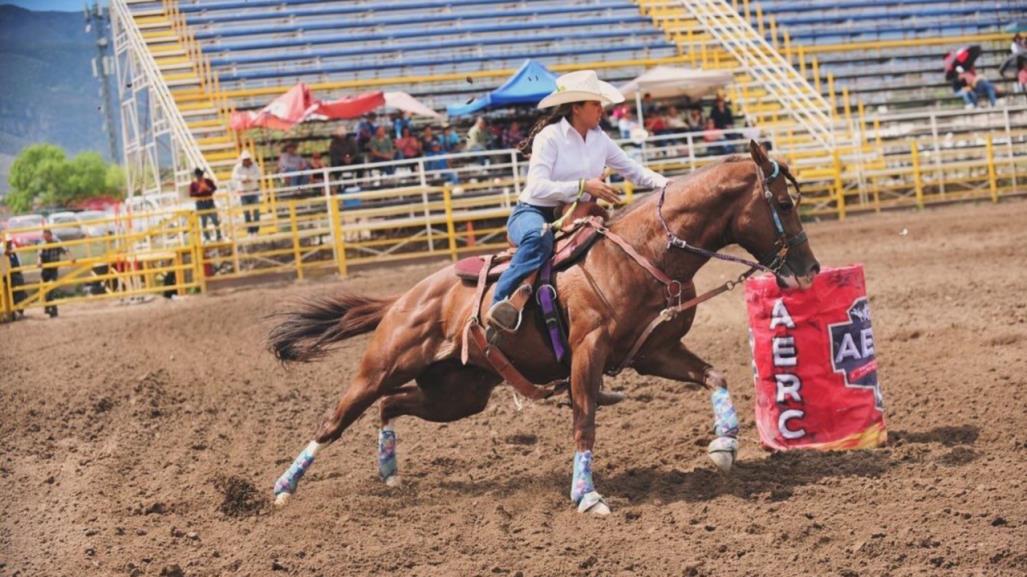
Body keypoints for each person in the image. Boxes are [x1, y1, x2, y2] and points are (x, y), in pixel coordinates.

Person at [486, 70, 668, 333]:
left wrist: (669, 186)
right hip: (534, 211)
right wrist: (583, 186)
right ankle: (500, 302)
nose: (601, 109)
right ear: (576, 107)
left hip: (578, 213)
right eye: (595, 104)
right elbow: (536, 186)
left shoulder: (600, 139)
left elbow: (633, 169)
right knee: (538, 238)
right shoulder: (549, 137)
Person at [37, 229, 72, 318]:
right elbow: (39, 255)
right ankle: (51, 309)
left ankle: (50, 308)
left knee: (51, 288)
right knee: (46, 289)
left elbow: (65, 249)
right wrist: (39, 262)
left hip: (53, 269)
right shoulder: (42, 244)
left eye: (47, 237)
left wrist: (70, 258)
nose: (46, 239)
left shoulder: (57, 242)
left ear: (50, 235)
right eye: (44, 237)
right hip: (45, 270)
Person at [230, 150, 261, 235]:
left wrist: (250, 178)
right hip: (243, 192)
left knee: (256, 212)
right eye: (245, 159)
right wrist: (243, 178)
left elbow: (259, 174)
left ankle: (256, 230)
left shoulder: (254, 166)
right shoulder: (238, 167)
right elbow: (233, 176)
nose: (247, 161)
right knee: (246, 213)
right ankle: (250, 231)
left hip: (254, 191)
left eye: (248, 159)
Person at [189, 168, 222, 241]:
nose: (199, 177)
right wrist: (199, 192)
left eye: (200, 175)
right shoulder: (193, 184)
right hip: (200, 203)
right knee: (204, 222)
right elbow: (191, 194)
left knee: (215, 220)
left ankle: (219, 235)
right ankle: (207, 238)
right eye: (197, 176)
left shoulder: (208, 181)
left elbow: (214, 188)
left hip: (209, 202)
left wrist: (208, 189)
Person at [2, 239, 27, 319]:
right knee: (10, 293)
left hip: (15, 272)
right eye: (8, 242)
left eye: (10, 241)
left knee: (19, 291)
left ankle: (18, 311)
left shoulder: (13, 248)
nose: (9, 243)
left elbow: (18, 261)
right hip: (6, 274)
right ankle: (11, 312)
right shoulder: (2, 248)